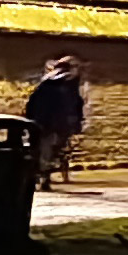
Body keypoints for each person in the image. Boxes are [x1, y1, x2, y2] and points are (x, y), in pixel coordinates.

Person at [24, 55, 89, 187]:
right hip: (55, 123)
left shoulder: (48, 83)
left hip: (46, 122)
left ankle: (42, 174)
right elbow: (74, 105)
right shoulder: (67, 84)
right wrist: (75, 123)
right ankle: (44, 175)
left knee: (47, 149)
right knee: (50, 149)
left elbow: (32, 103)